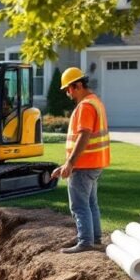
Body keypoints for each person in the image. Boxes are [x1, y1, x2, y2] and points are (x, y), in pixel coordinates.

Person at [50, 67, 111, 254]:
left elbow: (84, 136)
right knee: (91, 204)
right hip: (95, 163)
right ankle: (94, 237)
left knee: (79, 205)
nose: (67, 93)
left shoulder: (85, 106)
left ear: (77, 86)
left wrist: (70, 163)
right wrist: (67, 163)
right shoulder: (96, 102)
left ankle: (85, 241)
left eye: (68, 89)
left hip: (84, 165)